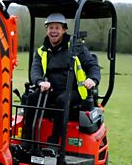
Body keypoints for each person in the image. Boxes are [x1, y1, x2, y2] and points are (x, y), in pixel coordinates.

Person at [24, 13, 100, 145]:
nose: (54, 31)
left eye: (57, 28)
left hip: (75, 90)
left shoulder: (76, 47)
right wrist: (40, 82)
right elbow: (35, 70)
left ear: (64, 30)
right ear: (47, 30)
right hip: (51, 89)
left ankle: (54, 142)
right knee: (30, 98)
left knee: (62, 100)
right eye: (51, 28)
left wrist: (92, 80)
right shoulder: (42, 51)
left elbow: (92, 65)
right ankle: (28, 139)